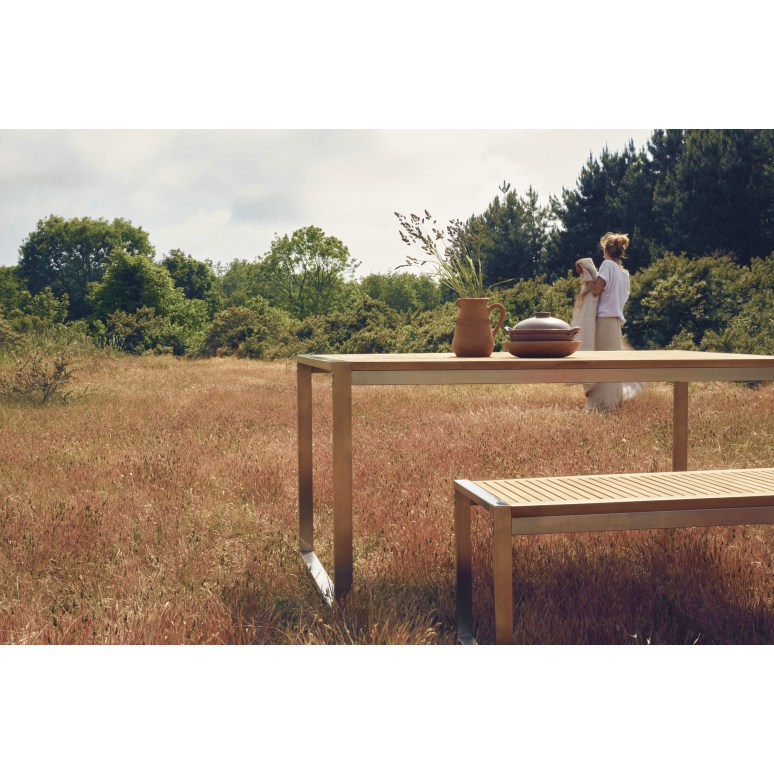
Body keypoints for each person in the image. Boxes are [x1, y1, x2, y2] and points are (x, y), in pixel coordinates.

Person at [572, 232, 642, 411]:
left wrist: (586, 276)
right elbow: (622, 297)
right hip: (616, 322)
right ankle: (613, 404)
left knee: (600, 364)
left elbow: (596, 290)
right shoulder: (624, 273)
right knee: (613, 365)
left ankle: (600, 407)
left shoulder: (607, 265)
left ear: (606, 250)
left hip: (604, 321)